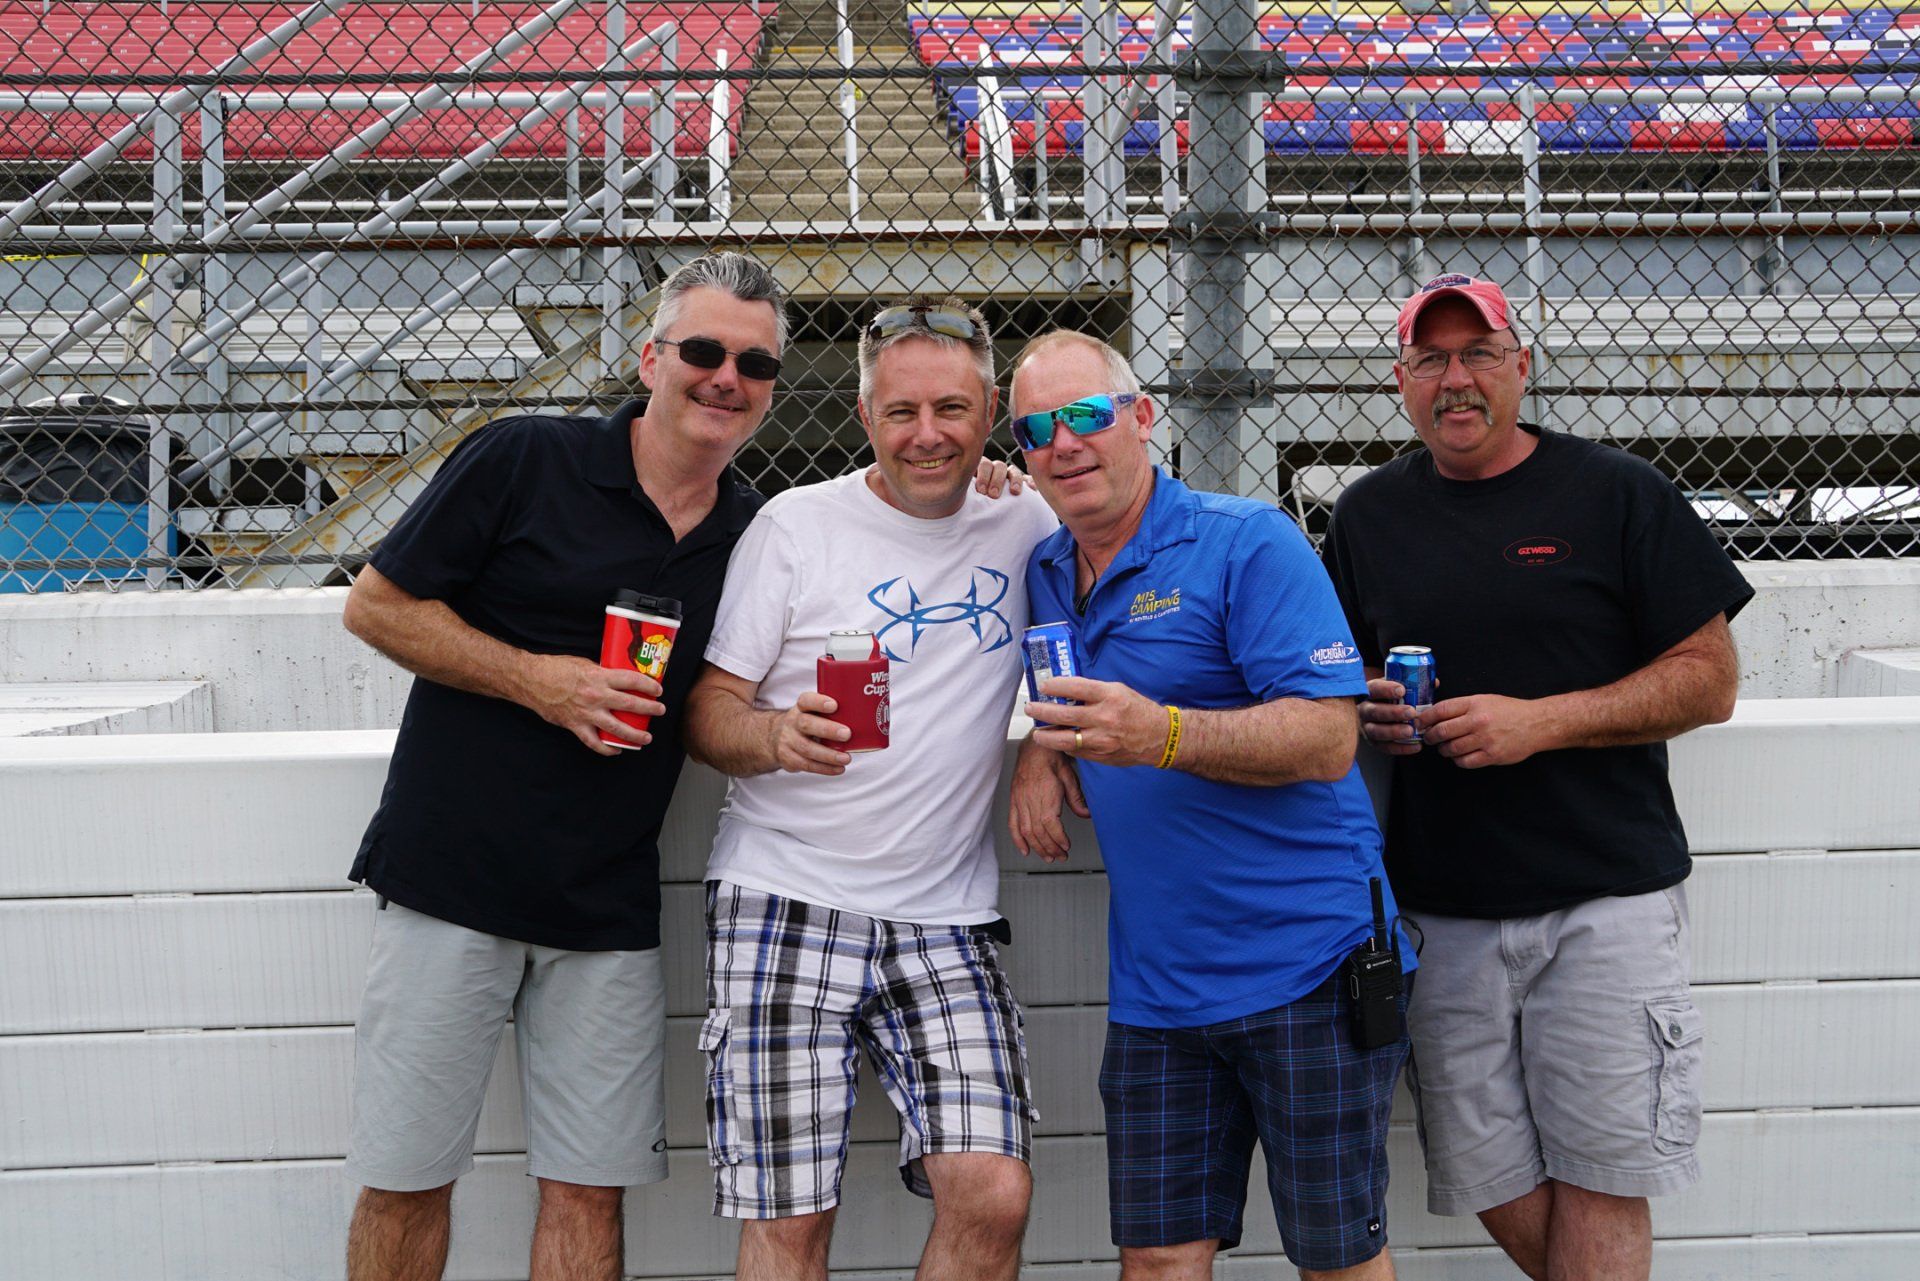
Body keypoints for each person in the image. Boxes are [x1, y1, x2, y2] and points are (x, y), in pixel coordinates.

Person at [337, 253, 787, 1281]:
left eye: (753, 363)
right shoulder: (525, 456)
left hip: (606, 909)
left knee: (588, 1190)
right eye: (704, 351)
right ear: (650, 358)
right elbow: (376, 606)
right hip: (451, 881)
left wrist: (990, 478)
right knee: (407, 1177)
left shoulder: (757, 532)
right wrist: (544, 682)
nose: (726, 377)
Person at [1321, 273, 1752, 1281]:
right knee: (1487, 1176)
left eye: (1478, 354)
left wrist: (1541, 724)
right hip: (1442, 909)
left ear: (1522, 365)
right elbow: (1329, 687)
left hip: (1605, 898)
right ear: (1401, 381)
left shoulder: (1617, 493)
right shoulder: (1369, 516)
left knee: (1607, 1172)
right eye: (1431, 359)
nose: (1455, 379)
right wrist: (1372, 708)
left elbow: (1710, 681)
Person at [1005, 329, 1416, 1281]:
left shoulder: (1246, 541)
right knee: (1156, 1259)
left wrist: (1166, 735)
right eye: (1036, 429)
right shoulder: (1046, 571)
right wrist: (1039, 747)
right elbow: (1062, 693)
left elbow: (1326, 738)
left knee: (1337, 1259)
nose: (1064, 443)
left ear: (1143, 417)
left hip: (1309, 965)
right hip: (1159, 989)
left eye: (1085, 416)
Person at [682, 299, 1056, 1281]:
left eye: (950, 410)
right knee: (788, 1219)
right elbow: (708, 712)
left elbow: (1083, 658)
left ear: (989, 418)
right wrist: (775, 735)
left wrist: (1047, 753)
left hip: (945, 914)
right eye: (901, 413)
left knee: (992, 1188)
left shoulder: (1026, 517)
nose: (926, 435)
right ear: (864, 418)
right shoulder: (796, 527)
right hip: (783, 897)